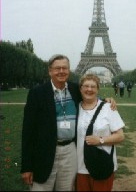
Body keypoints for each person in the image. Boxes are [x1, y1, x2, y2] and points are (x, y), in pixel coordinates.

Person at [21, 54, 117, 191]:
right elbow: (28, 131)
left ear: (69, 70)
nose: (61, 71)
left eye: (64, 68)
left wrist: (106, 100)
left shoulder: (75, 89)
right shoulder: (37, 93)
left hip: (70, 151)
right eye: (57, 68)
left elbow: (90, 96)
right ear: (50, 71)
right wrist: (26, 167)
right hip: (44, 151)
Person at [76, 74, 125, 191]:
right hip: (80, 166)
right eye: (86, 86)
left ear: (98, 89)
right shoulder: (75, 108)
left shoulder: (108, 108)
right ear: (80, 88)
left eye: (93, 86)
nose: (89, 89)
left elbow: (120, 136)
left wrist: (100, 140)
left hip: (101, 164)